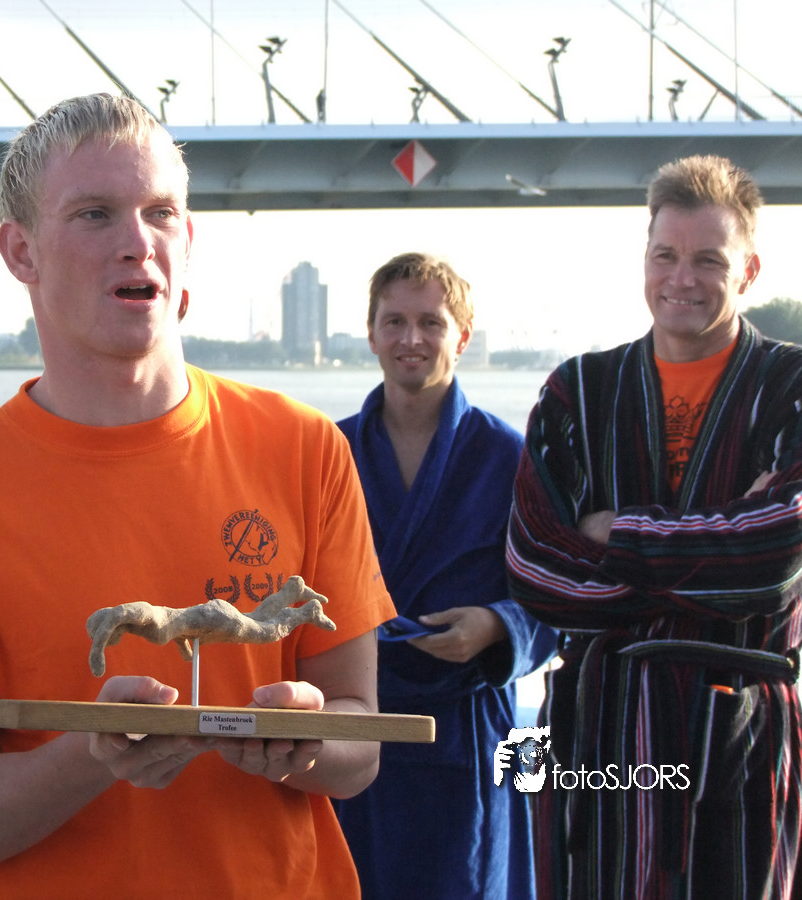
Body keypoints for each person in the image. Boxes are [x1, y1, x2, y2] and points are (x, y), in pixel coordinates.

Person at [0, 93, 395, 900]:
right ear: (21, 251)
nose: (137, 241)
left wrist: (302, 741)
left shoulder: (307, 449)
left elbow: (360, 746)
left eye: (160, 212)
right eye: (95, 214)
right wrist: (91, 753)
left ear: (188, 239)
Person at [506, 154, 802, 899]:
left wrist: (618, 532)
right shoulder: (579, 391)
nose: (682, 279)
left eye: (709, 260)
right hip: (596, 740)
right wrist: (725, 534)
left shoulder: (790, 387)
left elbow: (775, 559)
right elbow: (536, 569)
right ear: (644, 258)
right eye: (666, 255)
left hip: (738, 738)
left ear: (749, 270)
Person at [332, 252, 557, 900]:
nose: (412, 339)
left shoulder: (509, 456)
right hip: (355, 724)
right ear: (371, 334)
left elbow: (556, 594)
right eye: (395, 322)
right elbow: (287, 587)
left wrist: (495, 626)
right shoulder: (329, 452)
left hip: (464, 735)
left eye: (431, 322)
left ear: (462, 336)